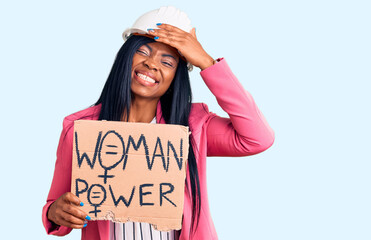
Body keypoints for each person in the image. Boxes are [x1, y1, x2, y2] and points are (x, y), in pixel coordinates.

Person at [42, 6, 274, 240]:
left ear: (176, 78)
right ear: (125, 57)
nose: (152, 64)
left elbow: (258, 138)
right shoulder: (80, 130)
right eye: (143, 52)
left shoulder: (193, 128)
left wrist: (206, 61)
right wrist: (55, 212)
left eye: (168, 62)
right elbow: (56, 208)